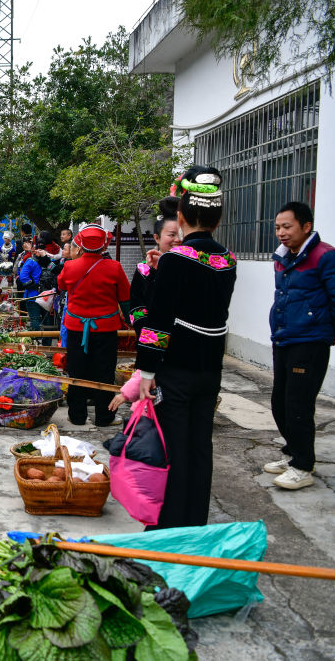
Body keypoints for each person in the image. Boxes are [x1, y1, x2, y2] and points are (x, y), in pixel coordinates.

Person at [135, 165, 237, 530]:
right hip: (210, 372)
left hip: (175, 373)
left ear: (180, 216)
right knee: (200, 449)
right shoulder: (227, 260)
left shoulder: (175, 260)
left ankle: (168, 529)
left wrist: (146, 370)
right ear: (219, 217)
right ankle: (195, 524)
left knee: (173, 451)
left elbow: (157, 324)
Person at [264, 201, 335, 490]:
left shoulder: (326, 256)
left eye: (287, 226)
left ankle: (303, 466)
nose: (281, 232)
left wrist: (327, 332)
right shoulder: (283, 257)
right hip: (284, 338)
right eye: (278, 227)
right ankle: (294, 453)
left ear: (306, 227)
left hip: (309, 343)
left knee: (298, 405)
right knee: (279, 402)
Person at [57, 224, 131, 427]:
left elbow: (62, 285)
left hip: (75, 327)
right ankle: (104, 416)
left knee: (76, 371)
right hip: (106, 329)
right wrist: (133, 324)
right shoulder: (114, 267)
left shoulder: (70, 266)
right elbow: (125, 299)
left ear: (80, 245)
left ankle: (77, 415)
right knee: (105, 373)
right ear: (103, 245)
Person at [128, 196, 181, 335]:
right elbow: (135, 307)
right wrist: (146, 331)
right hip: (152, 336)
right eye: (172, 234)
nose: (178, 239)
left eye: (181, 234)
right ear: (157, 237)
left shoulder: (191, 266)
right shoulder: (143, 269)